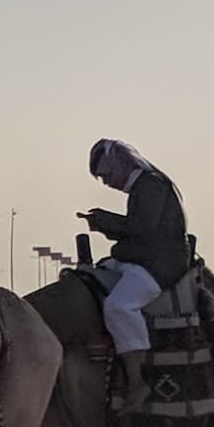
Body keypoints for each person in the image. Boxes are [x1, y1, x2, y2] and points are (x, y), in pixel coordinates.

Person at [82, 138, 191, 402]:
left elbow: (143, 230)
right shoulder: (144, 187)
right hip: (143, 259)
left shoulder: (151, 185)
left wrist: (103, 221)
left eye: (106, 174)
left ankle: (137, 379)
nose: (106, 182)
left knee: (119, 306)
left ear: (120, 163)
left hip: (159, 265)